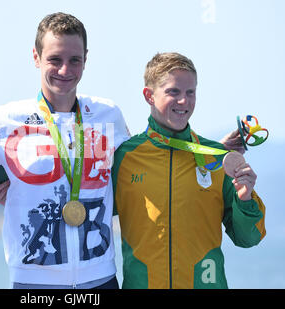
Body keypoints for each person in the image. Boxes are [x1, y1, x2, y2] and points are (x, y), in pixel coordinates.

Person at [0, 12, 130, 288]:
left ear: (86, 58)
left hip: (100, 278)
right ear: (36, 58)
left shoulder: (108, 115)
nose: (64, 70)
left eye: (75, 60)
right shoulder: (3, 120)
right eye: (54, 60)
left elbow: (137, 167)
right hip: (33, 282)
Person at [111, 52, 266, 289]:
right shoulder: (124, 157)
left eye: (190, 92)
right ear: (149, 95)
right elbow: (91, 218)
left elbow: (249, 238)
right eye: (173, 92)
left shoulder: (216, 157)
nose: (184, 101)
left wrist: (245, 200)